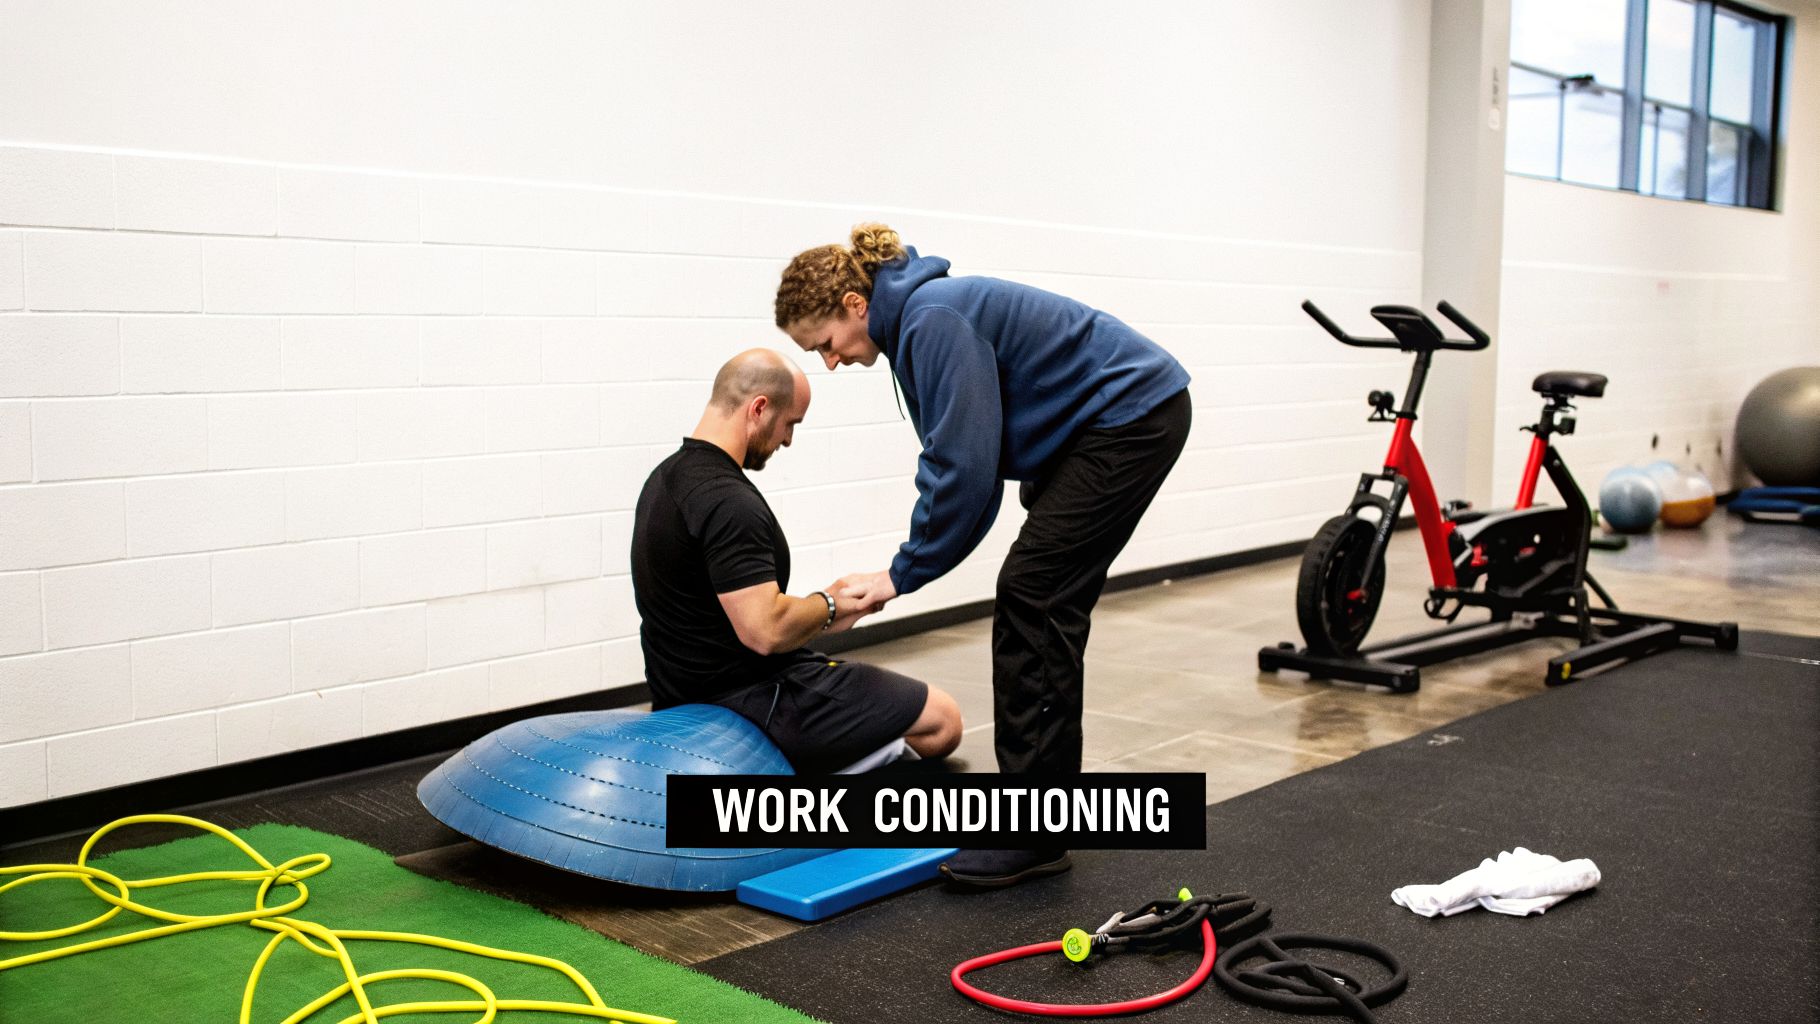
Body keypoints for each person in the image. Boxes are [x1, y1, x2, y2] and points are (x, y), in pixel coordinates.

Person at [776, 224, 1192, 887]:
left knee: (1035, 596)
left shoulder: (931, 320)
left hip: (1131, 419)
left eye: (824, 343)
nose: (829, 362)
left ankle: (1034, 833)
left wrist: (897, 576)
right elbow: (978, 460)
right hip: (1113, 422)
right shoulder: (923, 317)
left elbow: (963, 471)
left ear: (857, 305)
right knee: (1044, 593)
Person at [630, 348, 963, 775]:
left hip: (685, 694)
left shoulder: (663, 479)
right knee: (943, 722)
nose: (787, 439)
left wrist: (827, 610)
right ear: (759, 408)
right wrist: (830, 604)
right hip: (753, 702)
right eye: (790, 425)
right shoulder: (727, 501)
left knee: (879, 697)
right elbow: (764, 630)